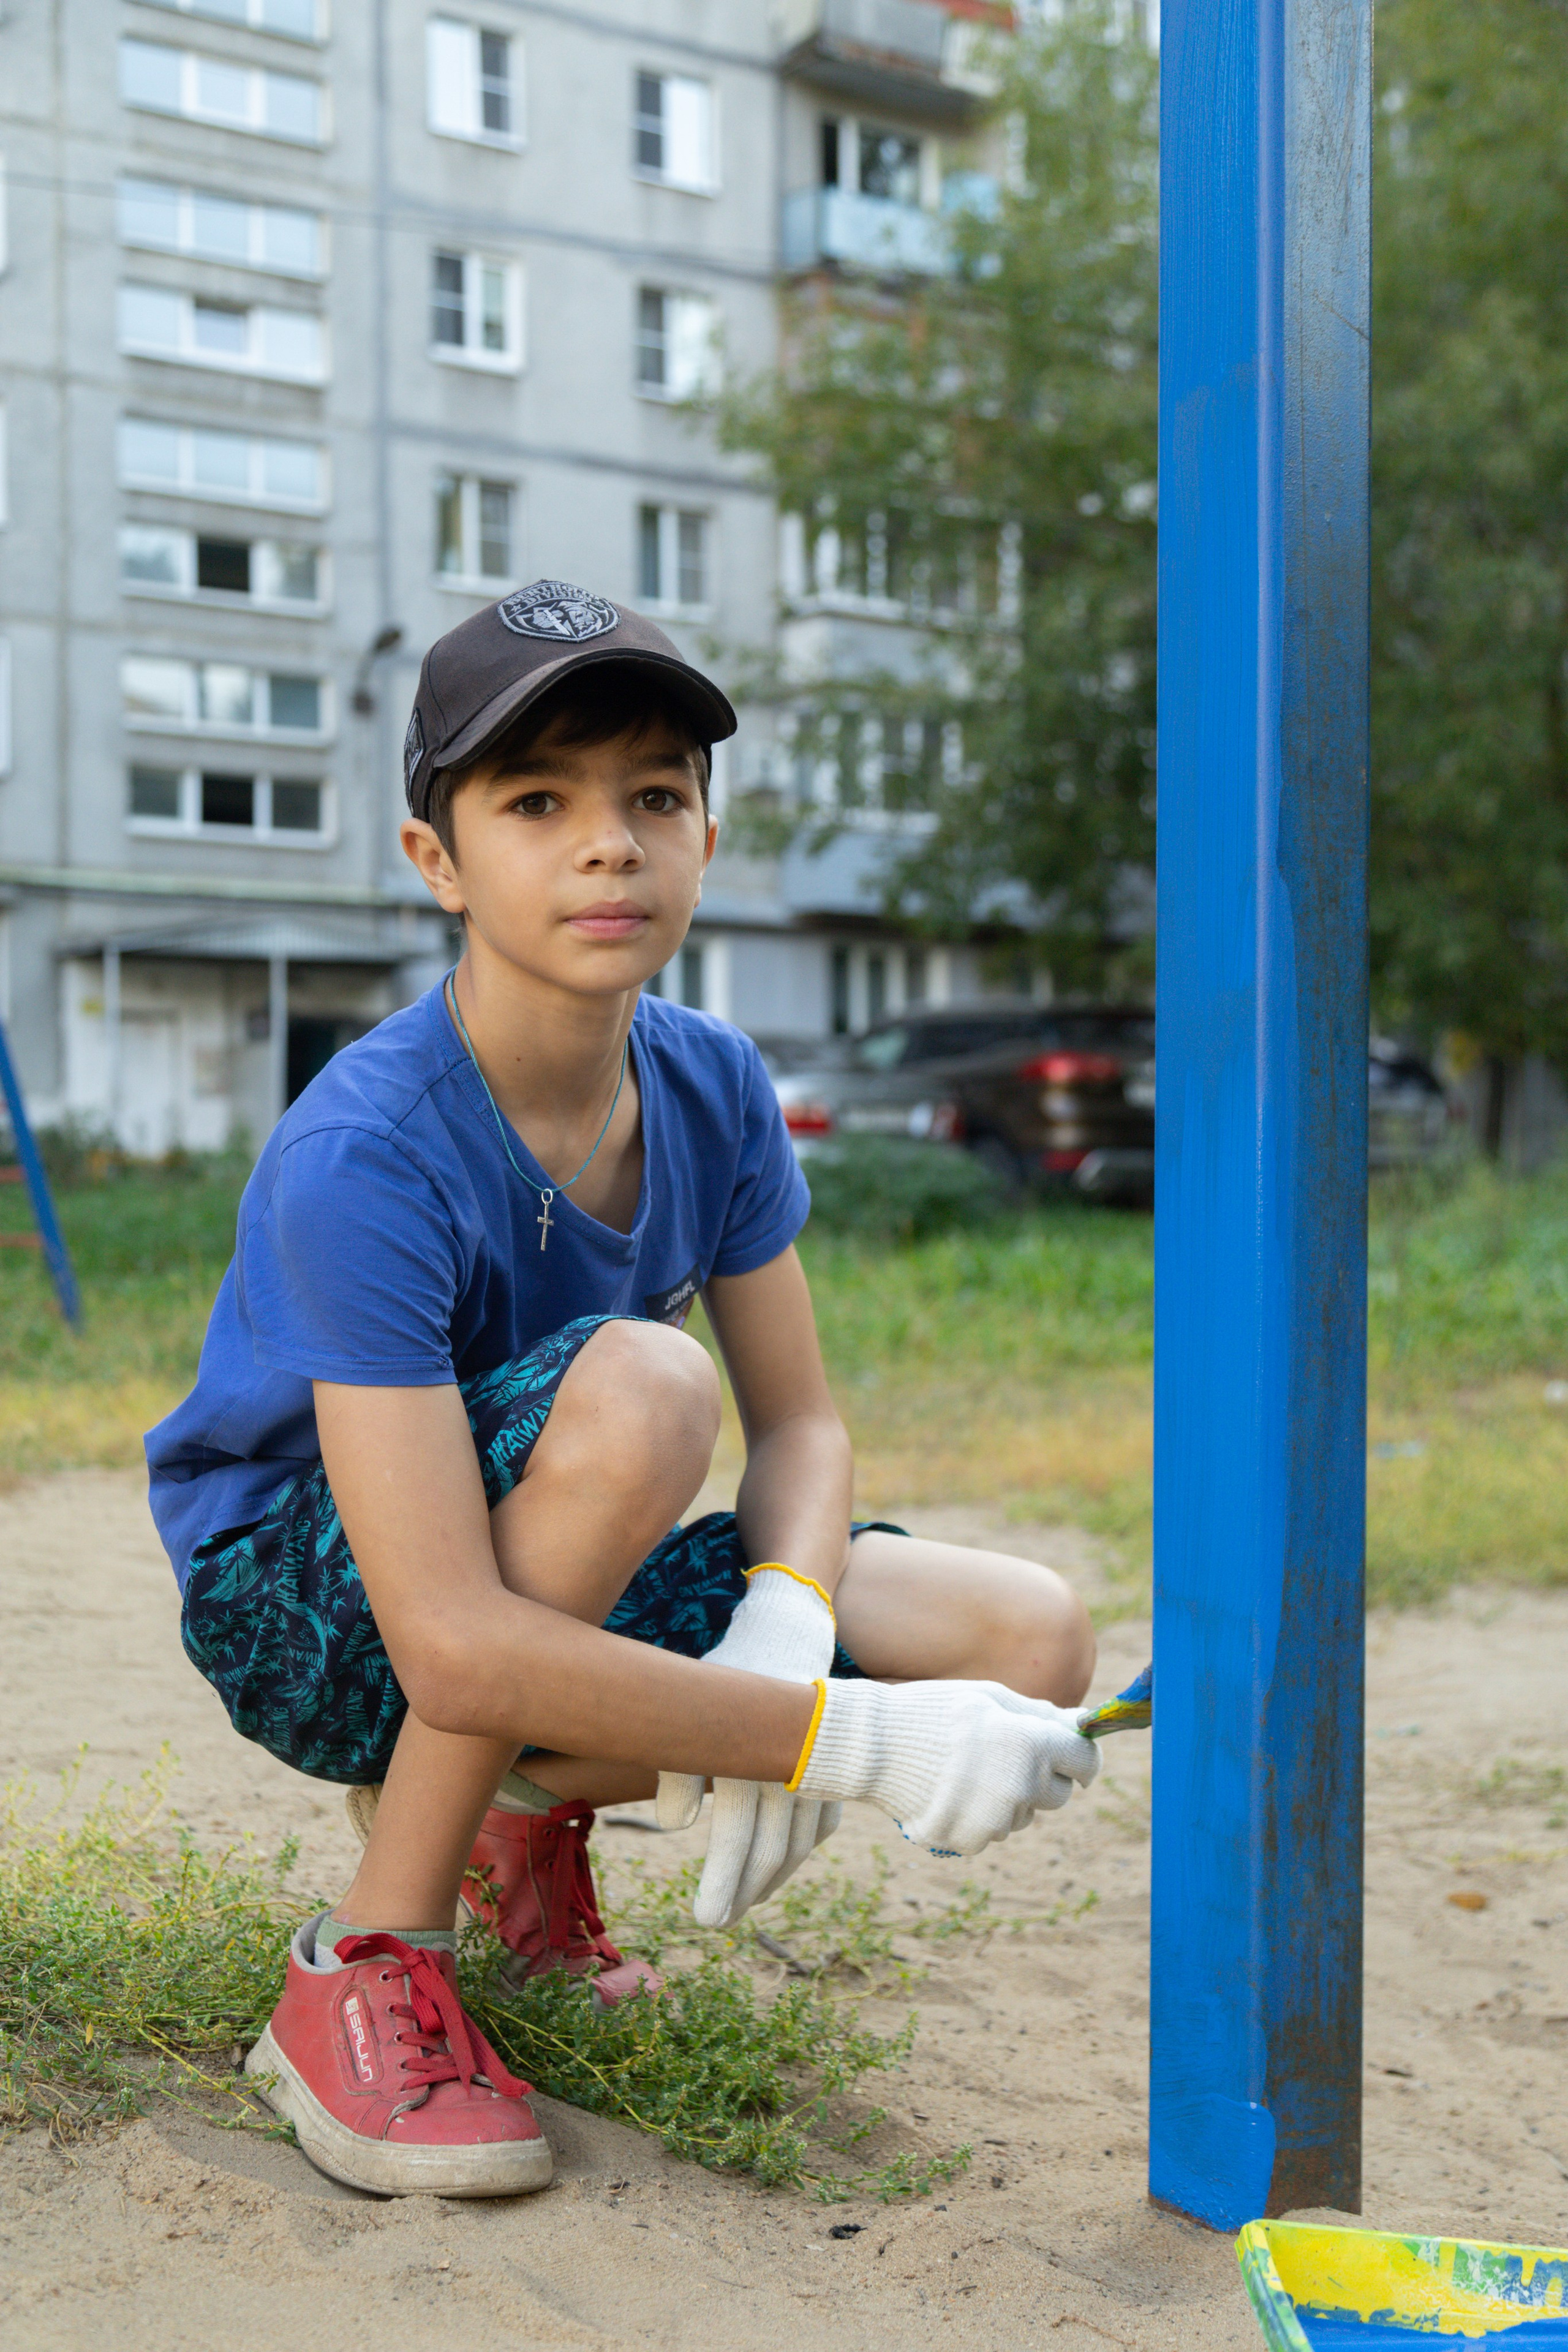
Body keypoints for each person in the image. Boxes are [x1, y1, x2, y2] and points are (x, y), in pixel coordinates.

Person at [145, 580, 1101, 2201]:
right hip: (315, 1604)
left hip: (529, 1555)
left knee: (1026, 1638)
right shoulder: (362, 1148)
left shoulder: (713, 1079)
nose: (612, 844)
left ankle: (522, 1833)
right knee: (651, 1390)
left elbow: (801, 1422)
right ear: (434, 860)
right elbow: (444, 1632)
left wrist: (785, 1620)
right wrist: (834, 1734)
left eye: (656, 796)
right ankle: (368, 1954)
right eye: (539, 802)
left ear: (708, 840)